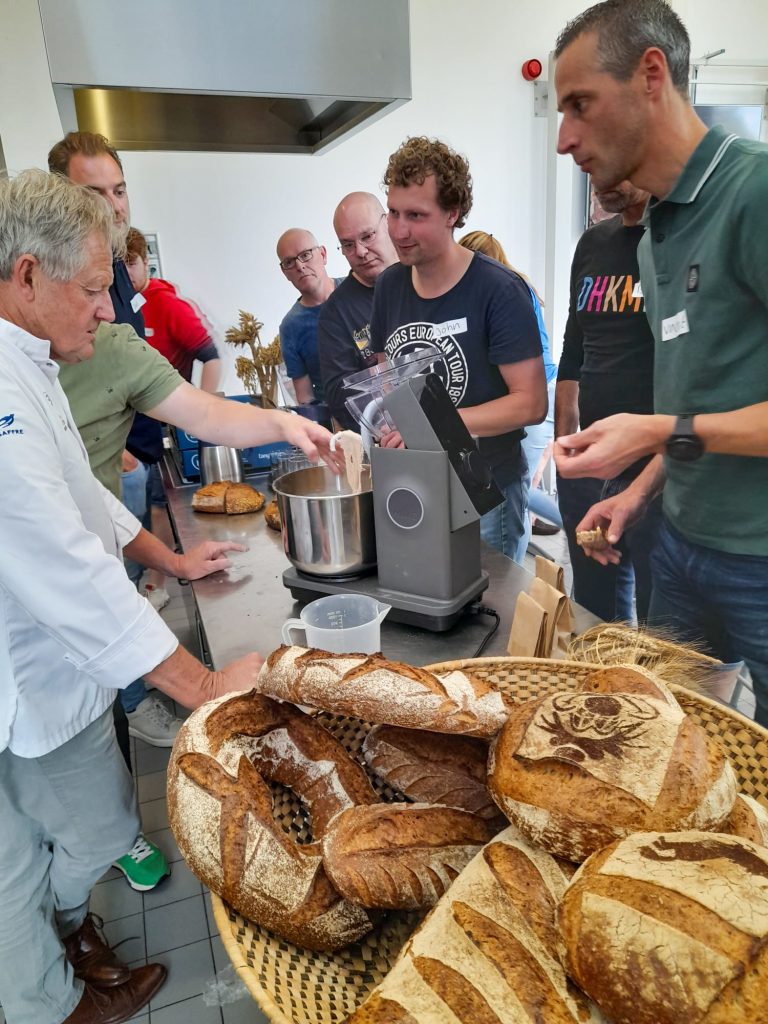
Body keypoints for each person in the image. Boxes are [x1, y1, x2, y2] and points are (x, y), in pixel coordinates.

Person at [0, 168, 265, 1024]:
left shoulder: (29, 367)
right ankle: (50, 1004)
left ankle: (62, 948)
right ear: (27, 277)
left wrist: (172, 562)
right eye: (90, 289)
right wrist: (204, 687)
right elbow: (63, 565)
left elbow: (85, 500)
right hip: (27, 664)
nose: (108, 309)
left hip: (42, 667)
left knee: (66, 843)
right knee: (22, 863)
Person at [553, 0, 768, 725]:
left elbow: (681, 419)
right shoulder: (652, 239)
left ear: (652, 75)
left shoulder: (755, 194)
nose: (564, 138)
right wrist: (641, 490)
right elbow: (704, 398)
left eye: (580, 105)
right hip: (678, 546)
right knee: (673, 751)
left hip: (759, 561)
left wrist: (654, 431)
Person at [370, 137, 546, 563]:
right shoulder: (390, 286)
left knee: (492, 615)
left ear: (452, 214)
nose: (398, 230)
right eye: (392, 212)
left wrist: (437, 426)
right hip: (418, 482)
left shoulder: (499, 291)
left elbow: (531, 404)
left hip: (484, 485)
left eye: (416, 215)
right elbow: (384, 373)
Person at [554, 179, 662, 622]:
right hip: (591, 470)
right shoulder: (594, 243)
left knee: (661, 634)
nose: (601, 176)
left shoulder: (669, 242)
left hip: (659, 472)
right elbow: (574, 348)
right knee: (596, 618)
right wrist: (565, 449)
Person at [458, 230, 561, 535]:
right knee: (522, 487)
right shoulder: (517, 285)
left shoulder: (506, 292)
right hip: (542, 391)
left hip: (535, 393)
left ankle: (571, 523)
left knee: (517, 492)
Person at [318, 192, 398, 430]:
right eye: (348, 245)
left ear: (388, 224)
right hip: (391, 443)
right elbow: (342, 396)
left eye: (367, 236)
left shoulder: (424, 279)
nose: (361, 251)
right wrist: (395, 427)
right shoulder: (335, 314)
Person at [125, 227, 220, 390]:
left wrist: (204, 409)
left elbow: (212, 358)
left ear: (146, 262)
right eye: (120, 266)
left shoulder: (167, 302)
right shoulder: (113, 304)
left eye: (131, 264)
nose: (126, 273)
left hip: (169, 406)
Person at [276, 228, 342, 404]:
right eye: (289, 262)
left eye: (305, 255)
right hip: (338, 421)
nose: (299, 266)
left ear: (323, 254)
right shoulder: (291, 327)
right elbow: (305, 397)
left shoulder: (358, 291)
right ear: (284, 273)